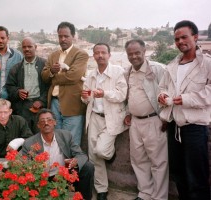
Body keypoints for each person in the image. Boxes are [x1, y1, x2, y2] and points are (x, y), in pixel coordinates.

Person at [158, 20, 211, 200]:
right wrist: (162, 95)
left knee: (197, 178)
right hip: (174, 127)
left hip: (195, 128)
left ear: (195, 37)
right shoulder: (172, 66)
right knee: (179, 175)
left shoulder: (207, 64)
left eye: (184, 37)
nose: (180, 41)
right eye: (177, 39)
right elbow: (162, 87)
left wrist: (185, 100)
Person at [81, 43, 127, 200]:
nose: (100, 55)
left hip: (111, 117)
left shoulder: (118, 72)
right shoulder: (91, 75)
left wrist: (104, 94)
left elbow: (122, 95)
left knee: (101, 151)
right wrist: (85, 96)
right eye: (97, 53)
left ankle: (110, 153)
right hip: (94, 116)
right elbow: (86, 99)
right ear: (93, 55)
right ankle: (102, 190)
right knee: (93, 156)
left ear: (109, 55)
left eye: (103, 53)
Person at [123, 39, 168, 200]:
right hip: (135, 122)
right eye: (130, 54)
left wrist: (165, 117)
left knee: (158, 161)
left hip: (154, 121)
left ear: (144, 52)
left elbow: (168, 92)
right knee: (138, 160)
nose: (134, 56)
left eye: (137, 53)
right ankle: (145, 193)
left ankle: (160, 197)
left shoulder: (158, 69)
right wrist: (128, 113)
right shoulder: (128, 72)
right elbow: (130, 96)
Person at [21, 108, 94, 200]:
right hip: (43, 179)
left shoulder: (66, 135)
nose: (46, 123)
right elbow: (25, 166)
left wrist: (75, 161)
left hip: (64, 175)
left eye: (49, 120)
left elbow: (81, 155)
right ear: (38, 125)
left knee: (88, 167)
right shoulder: (29, 143)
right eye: (42, 121)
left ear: (55, 122)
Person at [41, 21, 88, 145]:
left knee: (71, 142)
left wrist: (54, 78)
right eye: (60, 36)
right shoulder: (53, 55)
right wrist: (51, 71)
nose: (63, 39)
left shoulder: (81, 54)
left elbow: (73, 76)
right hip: (54, 104)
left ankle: (72, 165)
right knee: (57, 142)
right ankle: (59, 165)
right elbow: (44, 77)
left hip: (72, 104)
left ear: (73, 36)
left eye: (66, 36)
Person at [0, 98, 33, 181]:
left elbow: (30, 140)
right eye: (0, 112)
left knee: (26, 170)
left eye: (5, 112)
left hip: (18, 157)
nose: (3, 116)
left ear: (10, 111)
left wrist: (17, 142)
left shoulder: (20, 121)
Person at [5, 37, 49, 134]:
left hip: (40, 107)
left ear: (35, 47)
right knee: (24, 135)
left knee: (41, 134)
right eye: (24, 47)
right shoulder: (16, 67)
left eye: (30, 46)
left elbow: (50, 86)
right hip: (23, 107)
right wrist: (18, 92)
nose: (27, 49)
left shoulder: (45, 64)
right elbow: (9, 86)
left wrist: (41, 101)